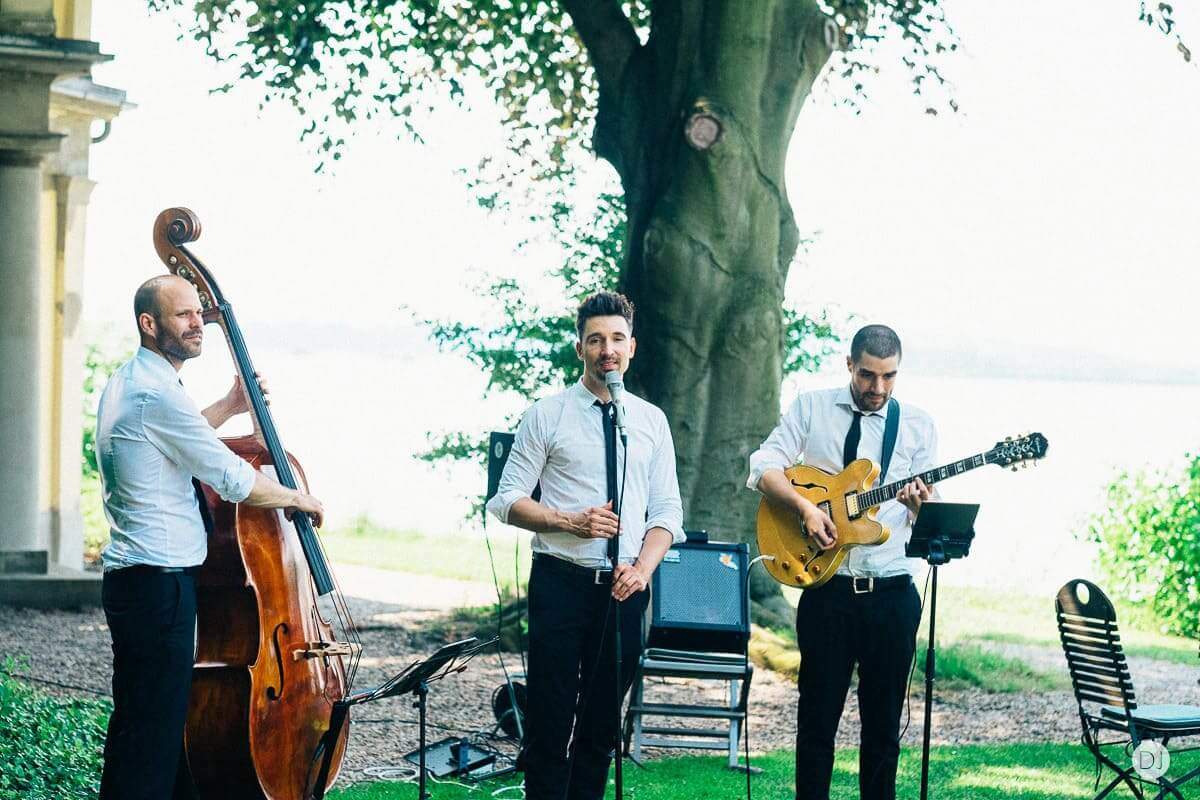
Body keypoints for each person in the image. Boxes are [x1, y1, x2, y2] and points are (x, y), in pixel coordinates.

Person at [96, 274, 325, 800]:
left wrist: (228, 405)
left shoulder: (132, 382)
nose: (198, 321)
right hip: (158, 588)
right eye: (183, 314)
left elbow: (179, 438)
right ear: (148, 324)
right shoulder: (156, 393)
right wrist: (296, 498)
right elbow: (231, 476)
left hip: (141, 586)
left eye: (200, 311)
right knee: (149, 744)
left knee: (149, 734)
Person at [486, 291, 685, 800]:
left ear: (632, 347)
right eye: (595, 339)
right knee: (551, 723)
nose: (607, 349)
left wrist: (642, 568)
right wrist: (566, 521)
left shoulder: (650, 421)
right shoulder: (547, 414)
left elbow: (666, 513)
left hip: (624, 591)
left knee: (600, 728)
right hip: (560, 582)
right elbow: (504, 500)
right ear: (580, 348)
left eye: (616, 338)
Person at [747, 324, 937, 800]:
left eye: (889, 377)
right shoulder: (812, 407)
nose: (878, 388)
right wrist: (806, 510)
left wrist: (921, 508)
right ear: (849, 364)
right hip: (827, 592)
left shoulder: (917, 426)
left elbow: (929, 525)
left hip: (892, 594)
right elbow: (763, 466)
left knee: (882, 733)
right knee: (815, 726)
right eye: (868, 375)